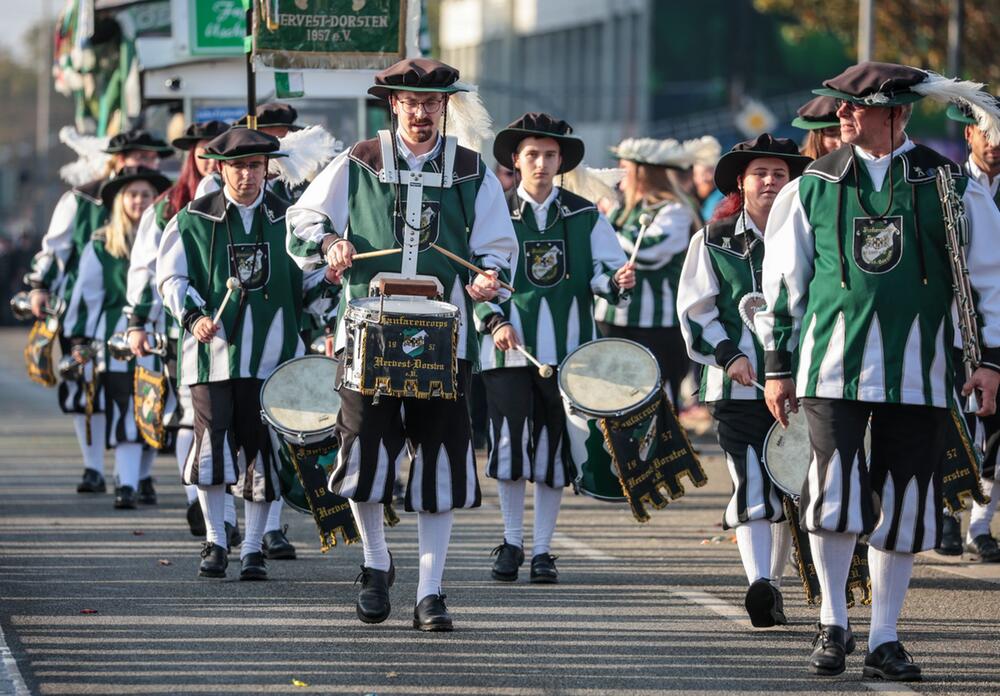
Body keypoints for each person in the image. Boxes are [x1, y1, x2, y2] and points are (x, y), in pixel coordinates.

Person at [755, 62, 1000, 681]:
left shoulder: (949, 184)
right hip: (829, 367)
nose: (840, 115)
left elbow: (990, 278)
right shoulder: (810, 185)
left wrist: (991, 360)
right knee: (832, 493)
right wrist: (777, 366)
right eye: (839, 106)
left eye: (852, 107)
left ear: (896, 113)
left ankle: (885, 637)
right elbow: (784, 284)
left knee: (908, 500)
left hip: (921, 367)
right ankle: (833, 623)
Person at [286, 58, 517, 631]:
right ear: (393, 104)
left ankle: (431, 593)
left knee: (438, 460)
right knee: (364, 455)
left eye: (432, 104)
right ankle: (374, 563)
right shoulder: (359, 160)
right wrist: (332, 242)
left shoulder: (470, 170)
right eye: (410, 102)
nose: (421, 112)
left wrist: (488, 277)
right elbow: (301, 220)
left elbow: (498, 248)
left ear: (445, 107)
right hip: (368, 334)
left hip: (447, 341)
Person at [157, 127, 337, 581]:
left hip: (275, 360)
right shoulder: (193, 219)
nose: (247, 175)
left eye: (255, 166)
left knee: (264, 452)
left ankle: (254, 548)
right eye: (237, 166)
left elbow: (307, 291)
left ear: (267, 168)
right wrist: (194, 316)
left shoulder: (289, 219)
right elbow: (171, 279)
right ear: (220, 168)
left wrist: (330, 280)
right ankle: (217, 541)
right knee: (212, 447)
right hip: (211, 355)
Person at [481, 112, 634, 584]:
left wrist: (617, 280)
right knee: (509, 447)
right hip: (508, 350)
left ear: (561, 160)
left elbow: (605, 275)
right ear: (515, 159)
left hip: (568, 354)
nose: (541, 163)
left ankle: (543, 551)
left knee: (552, 452)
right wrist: (494, 320)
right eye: (532, 155)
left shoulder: (585, 213)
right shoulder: (494, 212)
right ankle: (511, 541)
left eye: (549, 155)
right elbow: (478, 280)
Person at [677, 134, 810, 626]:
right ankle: (759, 583)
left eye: (780, 173)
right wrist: (729, 356)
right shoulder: (711, 239)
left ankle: (769, 585)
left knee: (787, 488)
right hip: (736, 387)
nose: (771, 181)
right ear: (741, 181)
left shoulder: (811, 232)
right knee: (752, 479)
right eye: (761, 173)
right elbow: (695, 310)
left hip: (799, 386)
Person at [26, 130, 172, 496]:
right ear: (116, 160)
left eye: (150, 158)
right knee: (87, 392)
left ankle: (138, 474)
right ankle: (93, 468)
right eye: (134, 156)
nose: (142, 162)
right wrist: (40, 285)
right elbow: (55, 248)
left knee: (148, 394)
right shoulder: (82, 198)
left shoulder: (164, 203)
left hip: (148, 316)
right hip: (87, 308)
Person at [125, 120, 229, 537]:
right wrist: (138, 322)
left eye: (217, 153)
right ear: (192, 156)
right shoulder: (169, 206)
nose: (210, 162)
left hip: (234, 327)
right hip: (180, 328)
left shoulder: (252, 201)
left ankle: (232, 511)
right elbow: (149, 269)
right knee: (189, 413)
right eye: (203, 152)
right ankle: (195, 501)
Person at [63, 167, 171, 508]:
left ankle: (140, 477)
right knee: (127, 410)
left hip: (162, 338)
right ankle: (126, 484)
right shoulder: (102, 243)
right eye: (132, 194)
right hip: (117, 342)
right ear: (120, 201)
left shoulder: (169, 235)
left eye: (145, 194)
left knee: (157, 410)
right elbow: (86, 293)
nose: (139, 201)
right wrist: (80, 340)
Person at [936, 97, 1000, 563]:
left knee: (996, 431)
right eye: (986, 133)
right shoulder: (949, 188)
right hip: (954, 328)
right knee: (949, 421)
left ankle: (981, 525)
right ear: (968, 135)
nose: (994, 144)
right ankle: (947, 515)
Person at [594, 137, 702, 405]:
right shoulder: (621, 208)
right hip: (613, 318)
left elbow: (645, 250)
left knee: (658, 398)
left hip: (657, 323)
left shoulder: (675, 210)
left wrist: (605, 231)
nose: (619, 175)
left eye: (625, 168)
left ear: (643, 173)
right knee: (614, 396)